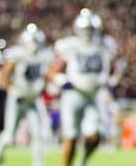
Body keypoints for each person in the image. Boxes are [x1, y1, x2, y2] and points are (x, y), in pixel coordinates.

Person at [47, 9, 120, 166]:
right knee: (70, 137)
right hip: (74, 94)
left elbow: (113, 68)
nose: (87, 32)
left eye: (90, 29)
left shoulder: (105, 45)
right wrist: (62, 81)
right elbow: (53, 71)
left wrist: (112, 80)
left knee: (96, 135)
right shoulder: (70, 45)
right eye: (85, 29)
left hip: (94, 95)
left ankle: (83, 161)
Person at [0, 24, 52, 166]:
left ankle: (38, 164)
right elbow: (4, 75)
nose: (34, 45)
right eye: (32, 41)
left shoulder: (43, 55)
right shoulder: (18, 54)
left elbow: (44, 76)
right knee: (10, 133)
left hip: (33, 99)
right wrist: (12, 90)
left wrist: (43, 88)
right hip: (17, 99)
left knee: (38, 134)